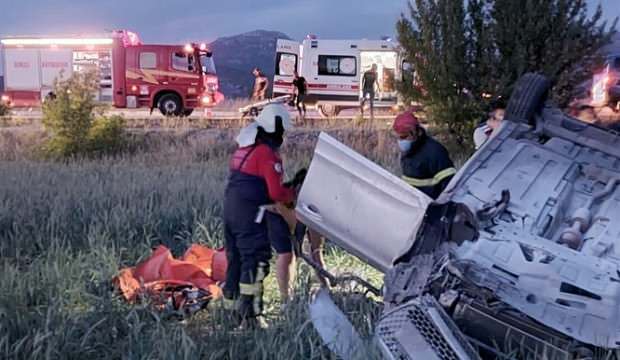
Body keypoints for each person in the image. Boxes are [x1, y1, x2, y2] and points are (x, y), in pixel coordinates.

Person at [222, 103, 295, 326]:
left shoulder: (244, 149)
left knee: (235, 258)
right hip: (250, 214)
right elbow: (275, 192)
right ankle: (251, 317)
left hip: (231, 209)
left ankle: (230, 313)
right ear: (276, 129)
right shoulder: (268, 155)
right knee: (254, 260)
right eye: (282, 131)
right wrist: (291, 192)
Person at [393, 110, 456, 199]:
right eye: (398, 138)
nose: (401, 141)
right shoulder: (409, 151)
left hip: (429, 206)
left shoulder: (435, 152)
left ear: (416, 132)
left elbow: (449, 185)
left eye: (404, 137)